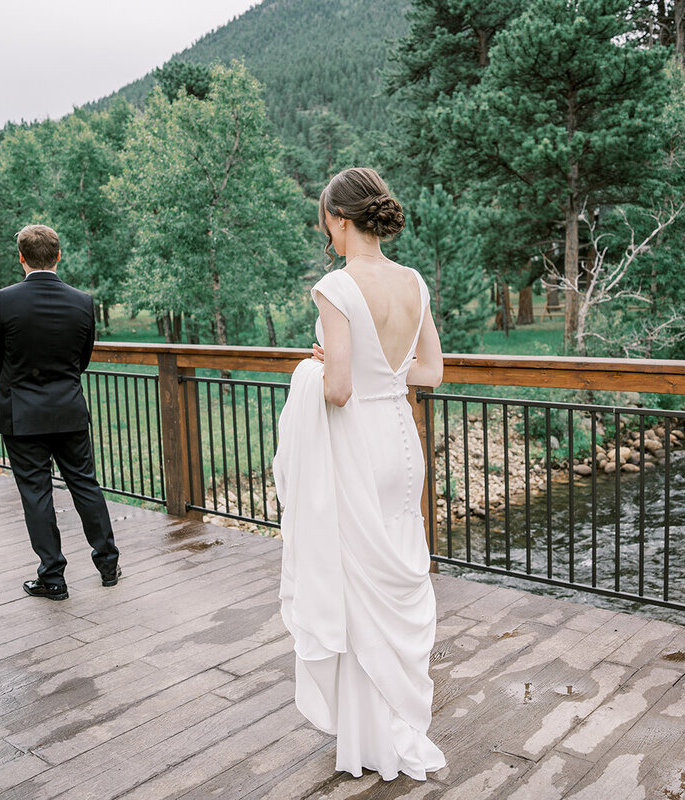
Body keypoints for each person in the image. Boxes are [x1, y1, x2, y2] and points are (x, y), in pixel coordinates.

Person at [273, 168, 446, 781]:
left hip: (356, 444)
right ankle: (400, 722)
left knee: (356, 581)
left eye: (326, 220)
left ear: (340, 220)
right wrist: (387, 377)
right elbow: (430, 372)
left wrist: (309, 369)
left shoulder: (335, 287)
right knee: (399, 570)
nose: (327, 230)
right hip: (400, 439)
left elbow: (339, 389)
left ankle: (372, 736)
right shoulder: (413, 281)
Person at [0, 224, 120, 601]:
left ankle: (53, 578)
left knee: (36, 493)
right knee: (85, 484)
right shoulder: (82, 301)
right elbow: (82, 359)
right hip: (69, 409)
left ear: (21, 258)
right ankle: (108, 565)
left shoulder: (2, 301)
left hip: (22, 415)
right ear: (58, 255)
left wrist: (17, 389)